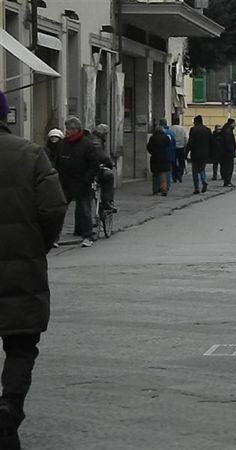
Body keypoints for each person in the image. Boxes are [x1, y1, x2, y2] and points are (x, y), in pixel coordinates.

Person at [0, 90, 67, 450]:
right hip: (21, 267)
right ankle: (9, 406)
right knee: (21, 346)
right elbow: (54, 208)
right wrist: (39, 244)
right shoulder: (30, 154)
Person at [55, 116, 101, 248]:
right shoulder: (62, 144)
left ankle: (87, 236)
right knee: (59, 211)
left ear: (76, 130)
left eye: (69, 129)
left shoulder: (87, 145)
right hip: (65, 183)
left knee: (85, 210)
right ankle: (54, 237)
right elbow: (57, 161)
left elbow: (94, 164)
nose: (67, 131)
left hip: (82, 183)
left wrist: (87, 178)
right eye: (66, 129)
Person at [89, 124, 117, 213]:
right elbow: (99, 154)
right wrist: (109, 163)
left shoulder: (93, 137)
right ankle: (107, 202)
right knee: (109, 176)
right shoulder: (96, 140)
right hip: (92, 169)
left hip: (88, 168)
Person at [187, 115, 212, 194]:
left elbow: (190, 142)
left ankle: (196, 188)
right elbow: (211, 142)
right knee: (202, 169)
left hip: (195, 153)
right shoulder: (207, 130)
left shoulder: (193, 130)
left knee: (195, 171)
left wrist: (186, 152)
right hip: (205, 153)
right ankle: (204, 180)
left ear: (196, 122)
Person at [147, 126, 171, 196]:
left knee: (155, 174)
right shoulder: (166, 138)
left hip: (155, 158)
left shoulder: (152, 138)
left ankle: (155, 189)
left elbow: (149, 147)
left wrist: (153, 152)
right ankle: (164, 189)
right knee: (163, 174)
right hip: (164, 157)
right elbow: (168, 146)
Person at [159, 119, 176, 189]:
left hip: (162, 154)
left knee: (161, 171)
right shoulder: (171, 132)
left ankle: (162, 186)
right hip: (170, 154)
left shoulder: (162, 133)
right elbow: (174, 144)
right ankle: (167, 186)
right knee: (168, 171)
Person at [171, 117, 188, 183]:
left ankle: (174, 176)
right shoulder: (182, 129)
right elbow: (186, 139)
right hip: (181, 148)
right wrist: (185, 146)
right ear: (179, 121)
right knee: (181, 162)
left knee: (173, 162)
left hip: (173, 148)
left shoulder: (171, 128)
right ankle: (180, 174)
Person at [220, 119, 236, 187]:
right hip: (228, 153)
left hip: (225, 152)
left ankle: (227, 181)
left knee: (226, 167)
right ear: (231, 123)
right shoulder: (228, 131)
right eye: (234, 123)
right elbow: (228, 143)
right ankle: (227, 182)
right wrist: (232, 151)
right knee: (229, 168)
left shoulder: (226, 130)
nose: (235, 125)